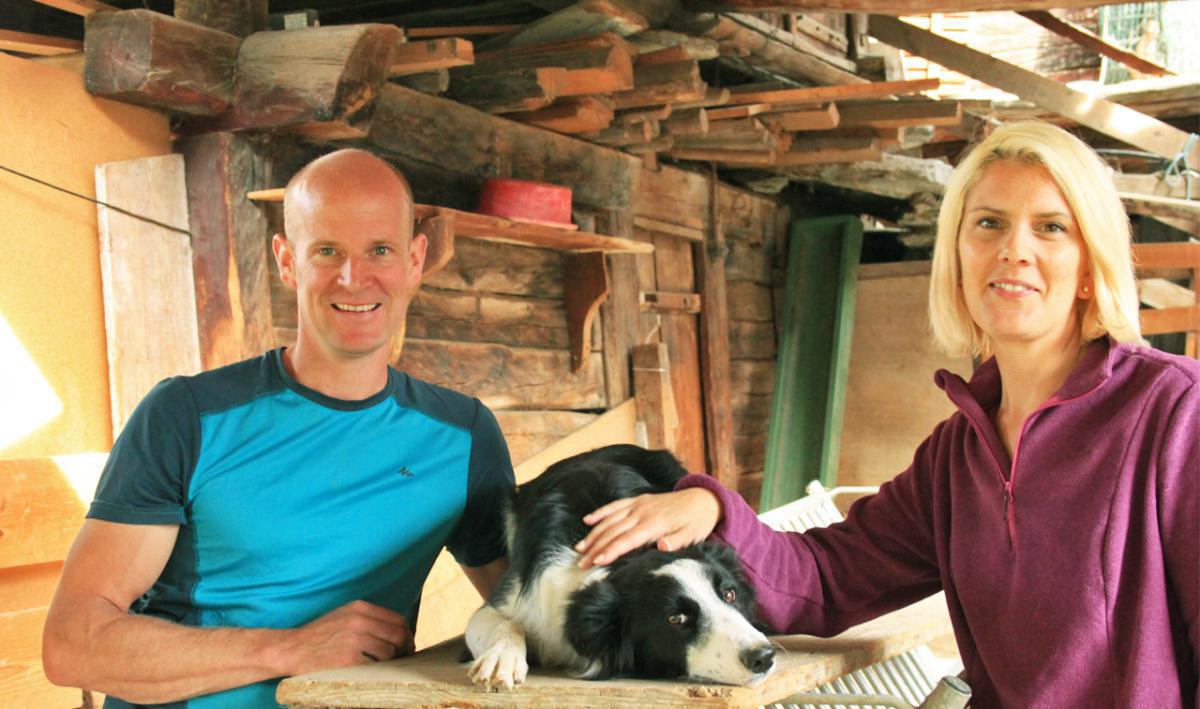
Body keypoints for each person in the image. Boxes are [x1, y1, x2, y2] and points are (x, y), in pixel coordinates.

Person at [575, 121, 1198, 707]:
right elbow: (826, 579)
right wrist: (712, 508)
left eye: (1051, 228)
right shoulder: (956, 458)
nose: (1014, 250)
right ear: (957, 258)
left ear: (1090, 268)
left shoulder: (1175, 412)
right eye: (988, 223)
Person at [42, 149, 514, 708]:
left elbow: (535, 606)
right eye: (327, 251)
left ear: (414, 260)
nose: (353, 277)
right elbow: (71, 645)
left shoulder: (462, 437)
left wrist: (650, 507)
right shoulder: (187, 416)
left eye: (379, 250)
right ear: (287, 261)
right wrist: (289, 650)